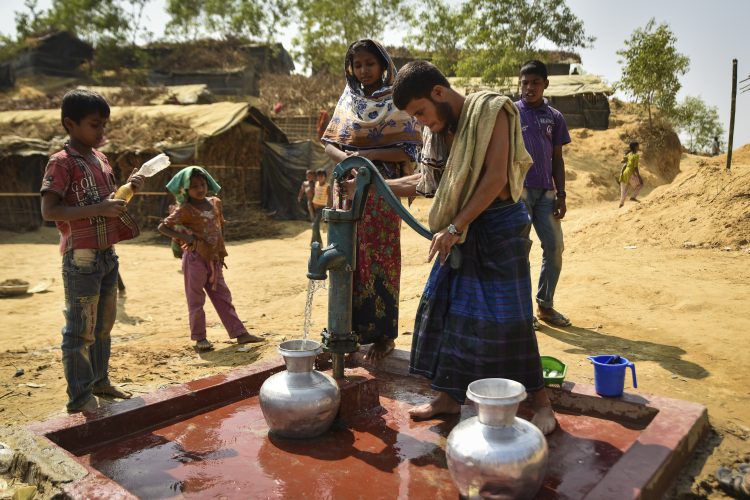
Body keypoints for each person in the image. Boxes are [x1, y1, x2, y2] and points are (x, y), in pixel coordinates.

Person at [383, 60, 557, 434]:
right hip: (460, 229)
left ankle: (542, 405)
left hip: (497, 228)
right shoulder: (440, 132)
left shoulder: (490, 110)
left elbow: (495, 177)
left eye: (420, 112)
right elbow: (428, 182)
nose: (420, 121)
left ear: (439, 93)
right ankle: (448, 397)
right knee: (444, 312)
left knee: (509, 321)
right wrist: (371, 183)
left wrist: (454, 226)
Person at [40, 89, 142, 413]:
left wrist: (129, 189)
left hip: (107, 255)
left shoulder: (101, 160)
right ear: (71, 124)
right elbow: (50, 211)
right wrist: (100, 206)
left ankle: (100, 382)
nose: (102, 132)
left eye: (103, 125)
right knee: (79, 331)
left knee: (103, 327)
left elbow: (108, 203)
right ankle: (80, 397)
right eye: (95, 125)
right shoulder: (61, 162)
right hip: (81, 257)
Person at [322, 39, 421, 361]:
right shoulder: (348, 99)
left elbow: (407, 148)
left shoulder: (397, 100)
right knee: (346, 258)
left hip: (381, 188)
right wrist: (348, 159)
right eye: (358, 64)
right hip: (347, 188)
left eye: (369, 63)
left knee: (379, 259)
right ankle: (345, 332)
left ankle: (382, 336)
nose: (363, 70)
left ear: (383, 65)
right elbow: (329, 145)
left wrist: (362, 156)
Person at [158, 166, 264, 352]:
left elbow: (219, 227)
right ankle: (200, 339)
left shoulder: (215, 202)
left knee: (223, 297)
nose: (200, 189)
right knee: (196, 300)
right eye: (194, 186)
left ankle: (240, 333)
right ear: (185, 190)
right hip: (194, 259)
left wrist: (220, 251)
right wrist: (187, 238)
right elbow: (163, 227)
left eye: (202, 184)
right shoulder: (185, 209)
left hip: (214, 260)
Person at [516, 60, 572, 329]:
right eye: (525, 82)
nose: (529, 88)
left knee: (554, 247)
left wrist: (561, 194)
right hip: (519, 192)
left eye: (535, 82)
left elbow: (558, 159)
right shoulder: (511, 114)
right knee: (519, 251)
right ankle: (522, 311)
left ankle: (545, 306)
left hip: (547, 193)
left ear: (545, 85)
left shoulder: (555, 117)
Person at [618, 141, 643, 208]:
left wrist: (627, 160)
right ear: (635, 147)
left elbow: (622, 161)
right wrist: (639, 177)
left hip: (624, 173)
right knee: (640, 185)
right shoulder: (636, 155)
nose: (638, 147)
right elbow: (635, 167)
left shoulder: (629, 154)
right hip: (630, 173)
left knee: (624, 190)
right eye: (638, 146)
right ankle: (633, 197)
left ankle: (621, 204)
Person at [310, 168, 331, 246]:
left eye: (322, 176)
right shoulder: (316, 184)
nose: (320, 178)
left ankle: (317, 243)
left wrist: (326, 211)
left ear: (325, 177)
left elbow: (329, 199)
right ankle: (314, 242)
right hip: (314, 208)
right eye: (318, 176)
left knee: (315, 225)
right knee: (314, 225)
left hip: (322, 209)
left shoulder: (327, 186)